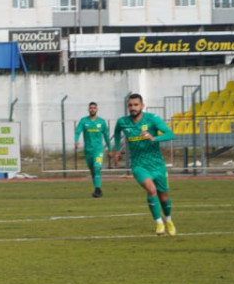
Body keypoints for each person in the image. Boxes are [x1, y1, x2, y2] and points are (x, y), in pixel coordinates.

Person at [113, 93, 177, 237]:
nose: (133, 108)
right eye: (130, 105)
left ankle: (168, 220)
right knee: (151, 189)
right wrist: (116, 150)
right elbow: (117, 133)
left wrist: (154, 138)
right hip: (138, 165)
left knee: (164, 197)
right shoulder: (123, 121)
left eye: (136, 105)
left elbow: (170, 134)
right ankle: (159, 223)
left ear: (142, 106)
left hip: (157, 164)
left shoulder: (152, 119)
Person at [74, 101, 112, 198]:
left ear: (97, 109)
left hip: (98, 150)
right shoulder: (83, 121)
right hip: (88, 151)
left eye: (94, 108)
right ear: (88, 109)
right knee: (92, 170)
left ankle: (98, 189)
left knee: (97, 168)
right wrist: (76, 140)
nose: (92, 109)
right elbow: (78, 132)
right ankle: (97, 189)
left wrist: (110, 149)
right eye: (91, 108)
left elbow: (106, 137)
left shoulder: (101, 122)